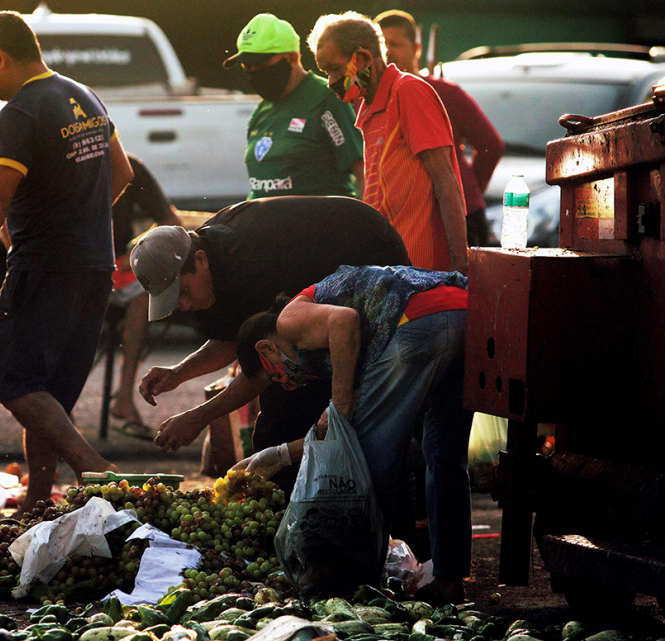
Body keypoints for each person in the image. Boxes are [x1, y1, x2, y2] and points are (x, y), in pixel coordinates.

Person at [0, 11, 134, 515]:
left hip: (44, 265)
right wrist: (75, 217)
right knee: (48, 394)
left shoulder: (21, 111)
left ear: (0, 55)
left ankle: (95, 470)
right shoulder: (83, 95)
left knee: (14, 383)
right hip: (93, 265)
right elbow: (122, 173)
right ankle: (38, 501)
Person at [130, 196, 410, 488]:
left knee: (300, 419)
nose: (184, 305)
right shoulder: (208, 258)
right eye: (175, 301)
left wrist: (198, 418)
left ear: (200, 261)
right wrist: (180, 372)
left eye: (184, 292)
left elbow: (264, 368)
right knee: (284, 427)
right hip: (315, 290)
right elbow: (231, 339)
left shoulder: (249, 266)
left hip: (371, 260)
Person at [232, 264, 472, 604]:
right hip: (464, 314)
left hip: (415, 322)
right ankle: (450, 578)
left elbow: (343, 320)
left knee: (372, 462)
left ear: (266, 350)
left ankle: (362, 585)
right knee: (445, 456)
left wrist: (340, 407)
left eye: (275, 377)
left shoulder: (290, 320)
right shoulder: (324, 333)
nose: (285, 385)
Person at [308, 12, 468, 274]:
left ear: (363, 58)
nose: (330, 82)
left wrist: (460, 264)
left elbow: (446, 180)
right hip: (389, 273)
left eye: (335, 69)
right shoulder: (367, 111)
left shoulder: (408, 91)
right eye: (326, 73)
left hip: (423, 274)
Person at [374, 10, 504, 247]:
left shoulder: (445, 93)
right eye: (382, 45)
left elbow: (491, 145)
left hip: (460, 215)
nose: (388, 52)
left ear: (416, 49)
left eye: (394, 43)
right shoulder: (373, 102)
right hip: (405, 220)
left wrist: (467, 191)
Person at [223, 13, 363, 199]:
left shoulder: (326, 100)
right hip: (268, 225)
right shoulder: (261, 111)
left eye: (261, 64)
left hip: (321, 223)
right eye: (248, 67)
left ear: (292, 58)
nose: (255, 73)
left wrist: (368, 224)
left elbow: (363, 172)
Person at [108, 154, 183, 441]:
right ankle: (62, 406)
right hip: (75, 265)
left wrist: (137, 250)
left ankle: (124, 398)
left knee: (142, 295)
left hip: (118, 268)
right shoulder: (61, 163)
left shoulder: (126, 166)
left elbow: (169, 219)